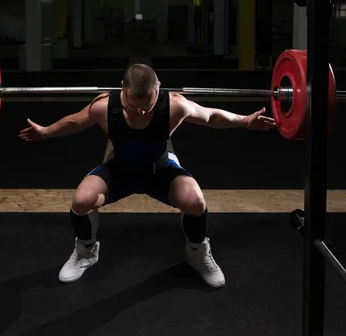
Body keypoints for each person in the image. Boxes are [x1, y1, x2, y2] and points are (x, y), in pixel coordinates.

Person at [19, 64, 276, 288]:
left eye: (148, 106)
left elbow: (211, 116)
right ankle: (86, 250)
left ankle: (197, 251)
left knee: (195, 201)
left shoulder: (175, 105)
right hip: (120, 170)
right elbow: (74, 122)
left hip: (159, 171)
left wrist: (244, 121)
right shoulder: (104, 106)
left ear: (159, 88)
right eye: (134, 105)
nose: (141, 112)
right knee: (81, 200)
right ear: (122, 89)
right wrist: (46, 132)